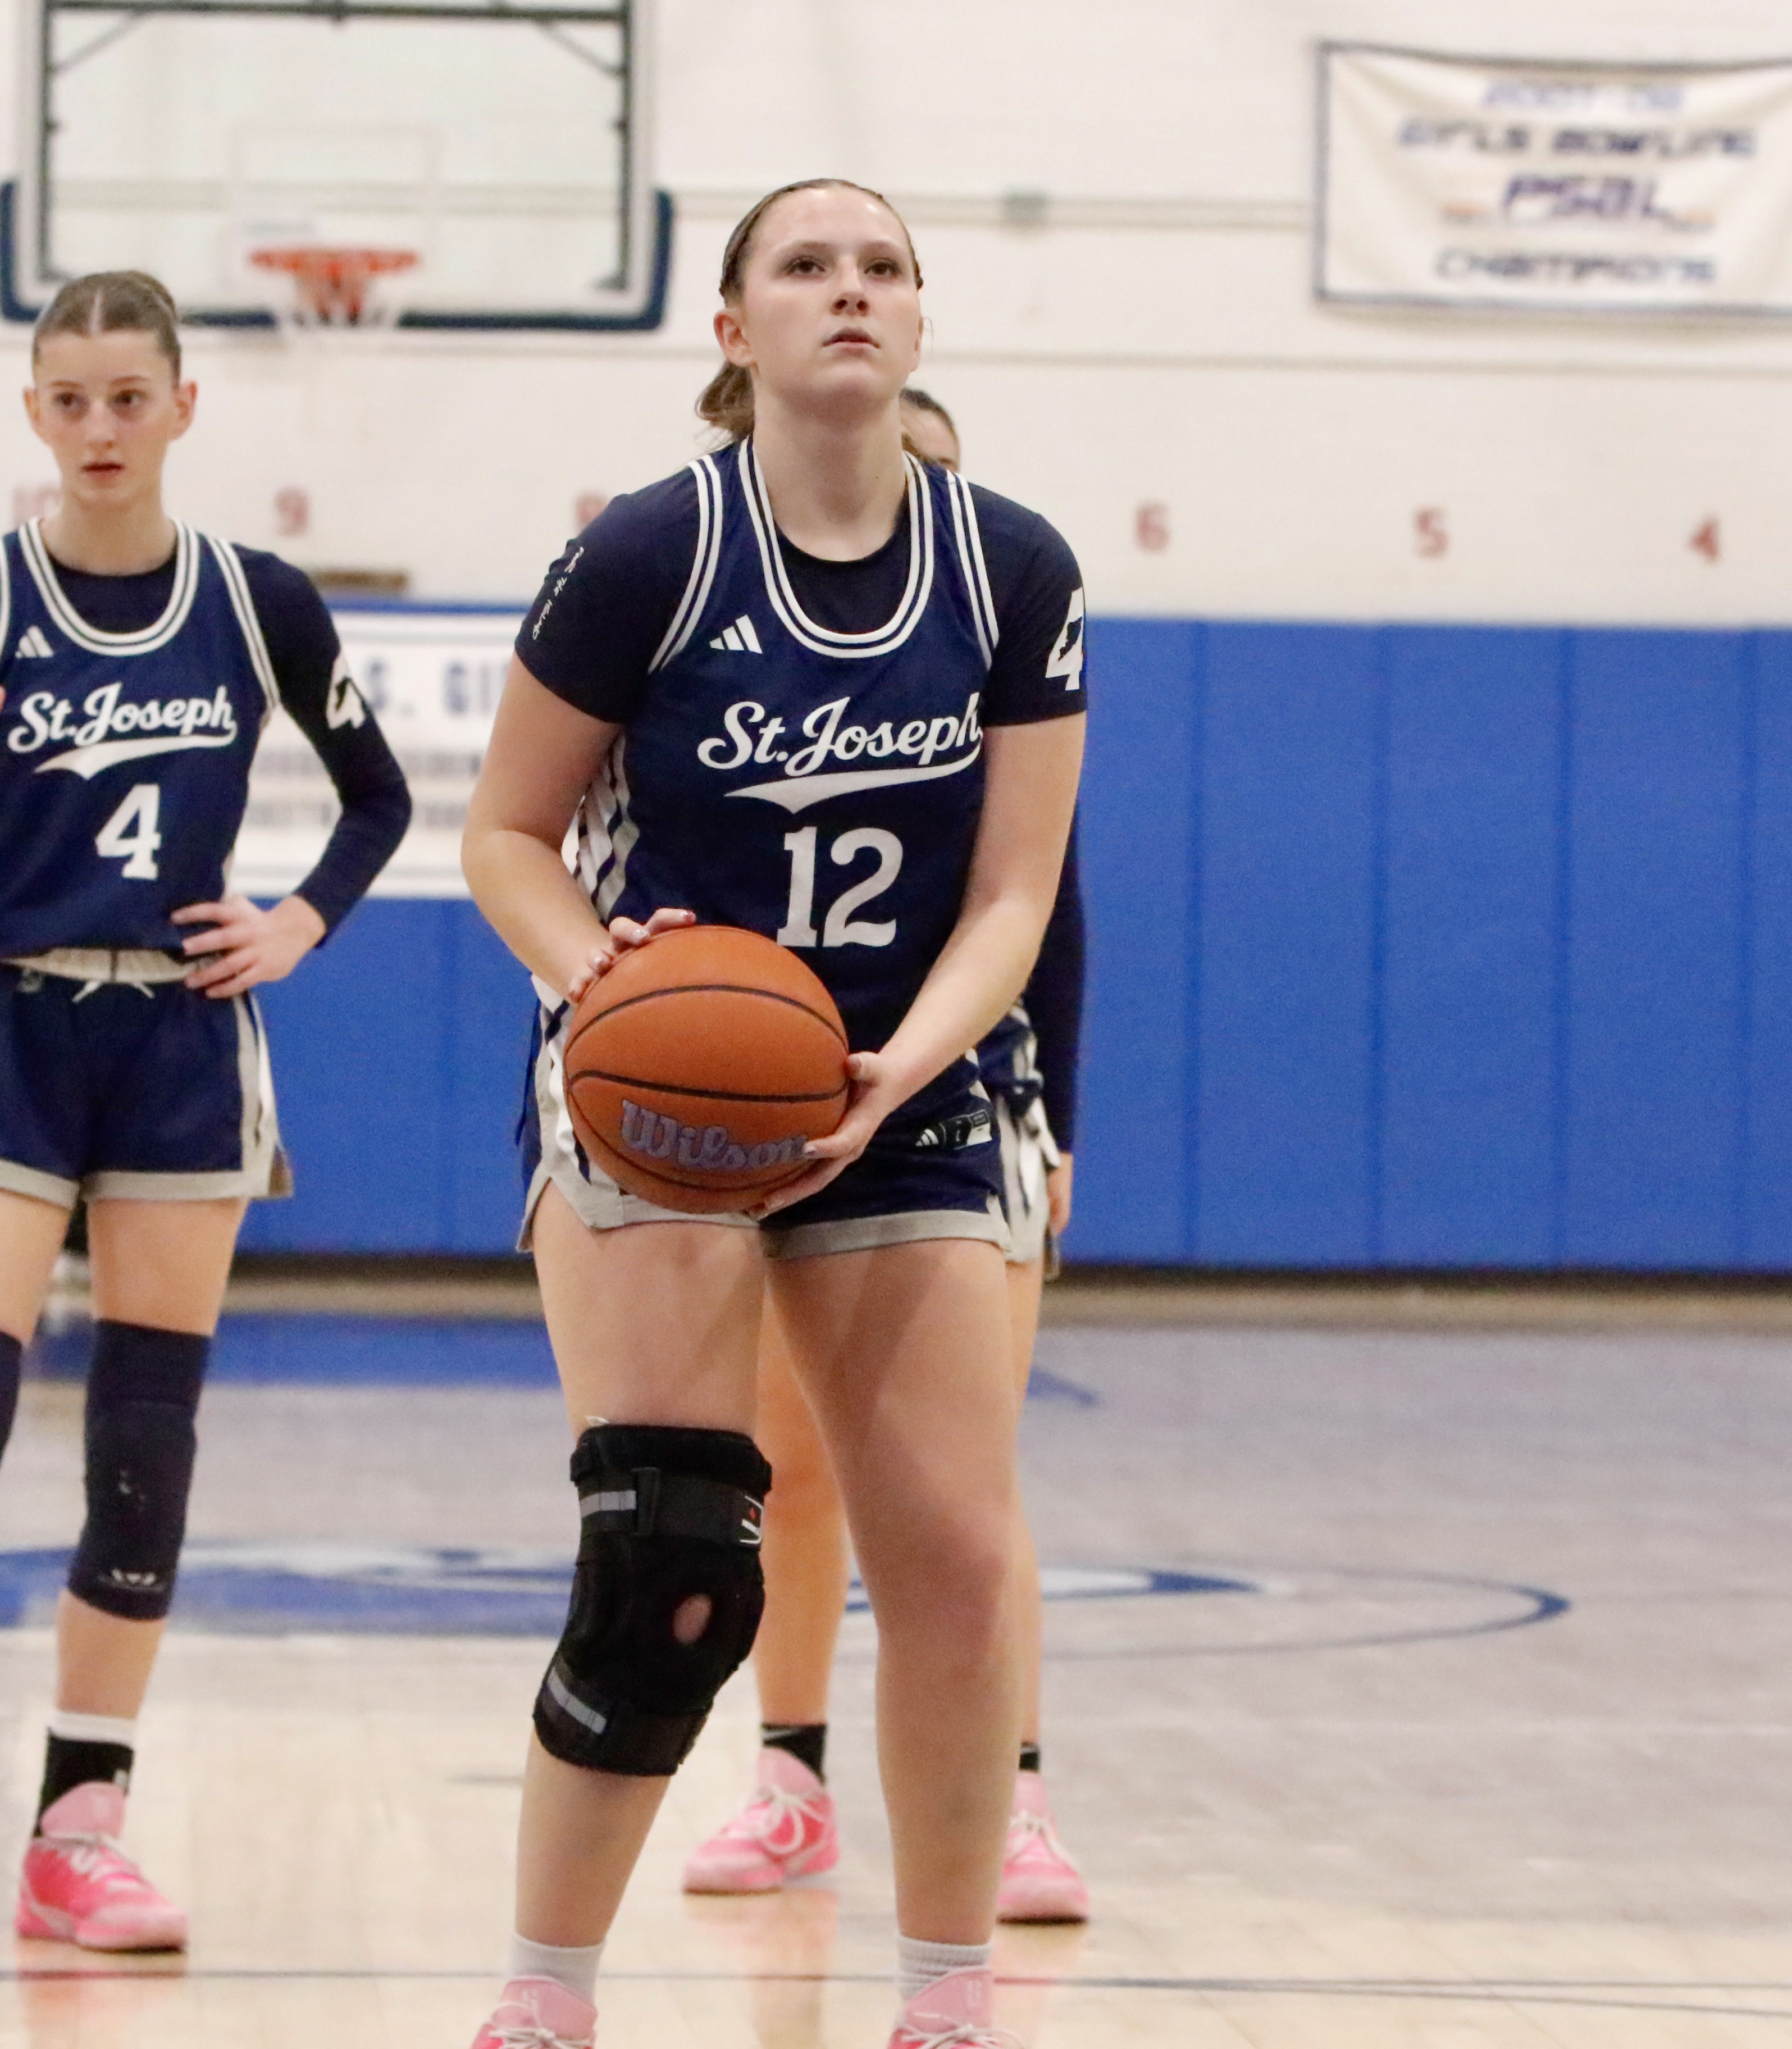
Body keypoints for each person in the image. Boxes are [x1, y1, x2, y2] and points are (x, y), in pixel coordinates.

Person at [460, 179, 1087, 2049]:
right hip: (666, 1093)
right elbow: (504, 833)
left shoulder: (1015, 568)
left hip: (899, 1078)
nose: (850, 291)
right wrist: (593, 973)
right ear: (731, 331)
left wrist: (909, 1061)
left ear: (920, 323)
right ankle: (543, 1993)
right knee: (668, 1548)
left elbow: (1014, 890)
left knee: (958, 1559)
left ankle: (948, 1994)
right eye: (805, 266)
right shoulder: (648, 553)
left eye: (883, 267)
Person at [0, 270, 411, 1955]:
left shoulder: (258, 603)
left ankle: (81, 1829)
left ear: (187, 409)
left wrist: (300, 918)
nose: (102, 427)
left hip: (184, 1033)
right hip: (12, 1026)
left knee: (142, 1442)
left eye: (133, 396)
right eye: (72, 398)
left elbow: (380, 796)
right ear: (34, 413)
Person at [682, 386, 1092, 1924]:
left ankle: (1020, 1795)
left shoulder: (999, 652)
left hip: (967, 1103)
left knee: (966, 1492)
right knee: (783, 1472)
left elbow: (1053, 917)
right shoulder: (714, 626)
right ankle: (787, 1777)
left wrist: (1061, 1125)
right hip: (767, 1100)